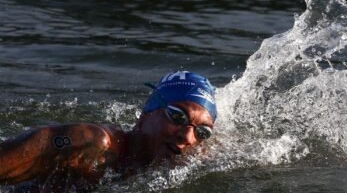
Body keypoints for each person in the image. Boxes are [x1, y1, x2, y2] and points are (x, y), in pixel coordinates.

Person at [0, 71, 217, 192]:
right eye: (177, 117)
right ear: (147, 112)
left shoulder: (190, 162)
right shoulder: (93, 144)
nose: (188, 137)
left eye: (202, 132)